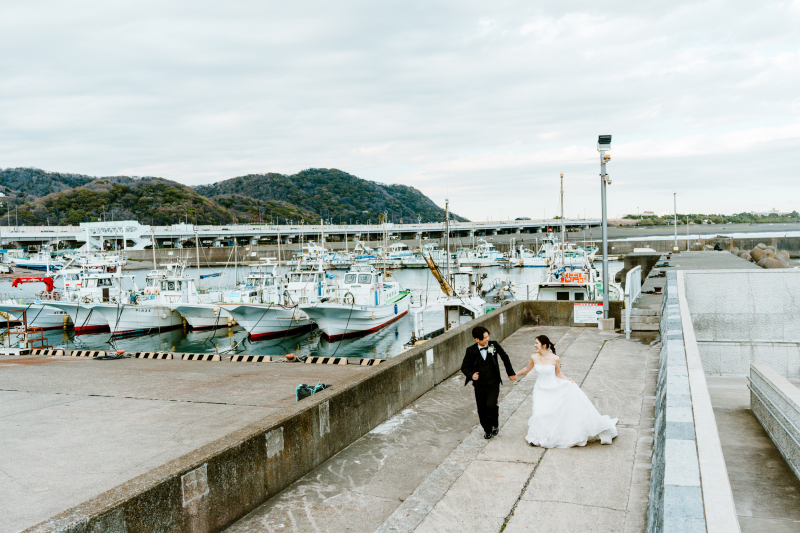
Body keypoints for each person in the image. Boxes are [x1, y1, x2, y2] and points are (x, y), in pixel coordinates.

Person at [515, 334, 618, 448]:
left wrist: (567, 380)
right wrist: (515, 374)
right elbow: (527, 369)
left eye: (536, 343)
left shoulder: (555, 358)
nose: (534, 345)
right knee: (539, 413)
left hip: (553, 388)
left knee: (551, 413)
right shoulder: (534, 357)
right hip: (540, 389)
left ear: (544, 345)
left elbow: (558, 373)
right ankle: (537, 437)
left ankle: (550, 435)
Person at [461, 326, 517, 440]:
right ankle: (487, 429)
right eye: (484, 338)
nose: (487, 339)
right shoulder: (470, 350)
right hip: (479, 385)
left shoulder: (493, 345)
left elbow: (505, 357)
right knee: (481, 409)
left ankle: (495, 424)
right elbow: (464, 367)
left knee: (491, 405)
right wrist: (471, 375)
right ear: (477, 339)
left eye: (488, 336)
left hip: (493, 382)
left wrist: (510, 373)